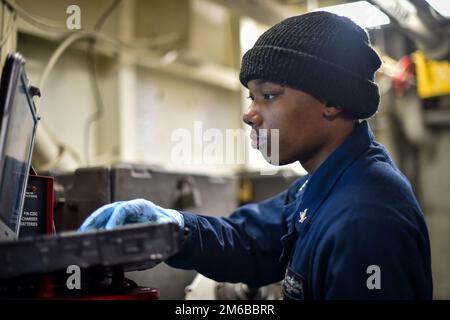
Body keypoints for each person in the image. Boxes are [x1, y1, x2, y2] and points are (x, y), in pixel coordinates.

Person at [79, 11, 433, 299]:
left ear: (332, 101)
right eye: (251, 96)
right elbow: (250, 242)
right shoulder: (321, 185)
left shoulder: (365, 221)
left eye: (268, 95)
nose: (249, 113)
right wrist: (173, 227)